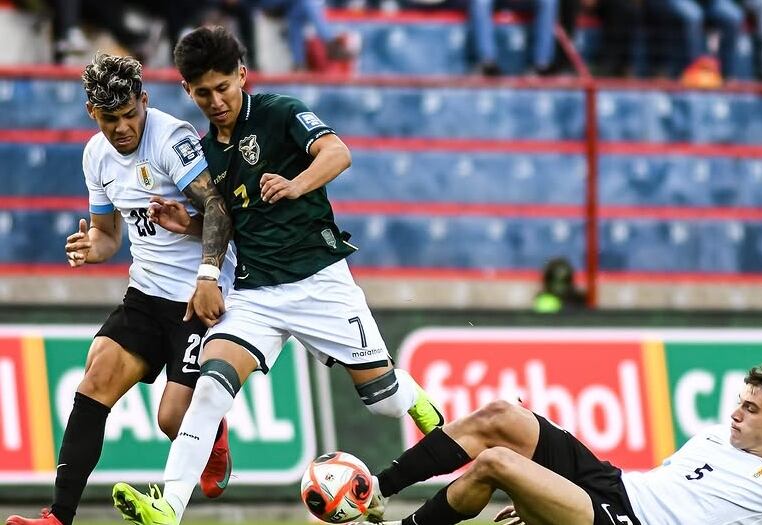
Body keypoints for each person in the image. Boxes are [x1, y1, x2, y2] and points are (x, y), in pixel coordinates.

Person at [109, 26, 445, 525]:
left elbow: (338, 153)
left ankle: (409, 394)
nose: (216, 101)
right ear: (187, 91)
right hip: (255, 293)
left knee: (382, 401)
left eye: (223, 87)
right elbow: (231, 220)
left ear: (242, 75)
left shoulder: (280, 112)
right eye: (203, 93)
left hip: (319, 282)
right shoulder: (206, 152)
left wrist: (296, 184)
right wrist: (187, 225)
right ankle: (169, 506)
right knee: (210, 387)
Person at [4, 53, 235, 525]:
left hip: (196, 296)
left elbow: (218, 207)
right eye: (111, 119)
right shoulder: (95, 155)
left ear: (143, 100)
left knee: (172, 418)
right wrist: (91, 247)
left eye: (131, 114)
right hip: (146, 293)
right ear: (93, 112)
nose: (123, 127)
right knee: (95, 378)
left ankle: (213, 437)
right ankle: (58, 516)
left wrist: (208, 277)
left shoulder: (170, 140)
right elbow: (108, 235)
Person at [362, 363, 762, 525]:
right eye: (739, 402)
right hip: (613, 485)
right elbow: (671, 490)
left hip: (626, 522)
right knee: (502, 416)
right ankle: (375, 491)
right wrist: (546, 499)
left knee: (496, 463)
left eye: (751, 409)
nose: (736, 413)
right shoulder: (715, 437)